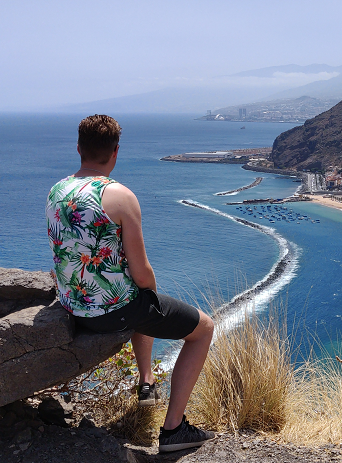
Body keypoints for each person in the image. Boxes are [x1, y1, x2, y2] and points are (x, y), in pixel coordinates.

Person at [45, 115, 216, 452]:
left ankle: (146, 380)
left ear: (78, 148)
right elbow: (141, 273)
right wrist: (150, 290)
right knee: (202, 328)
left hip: (72, 306)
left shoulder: (57, 191)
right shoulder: (120, 197)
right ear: (116, 151)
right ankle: (174, 429)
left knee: (142, 302)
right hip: (109, 313)